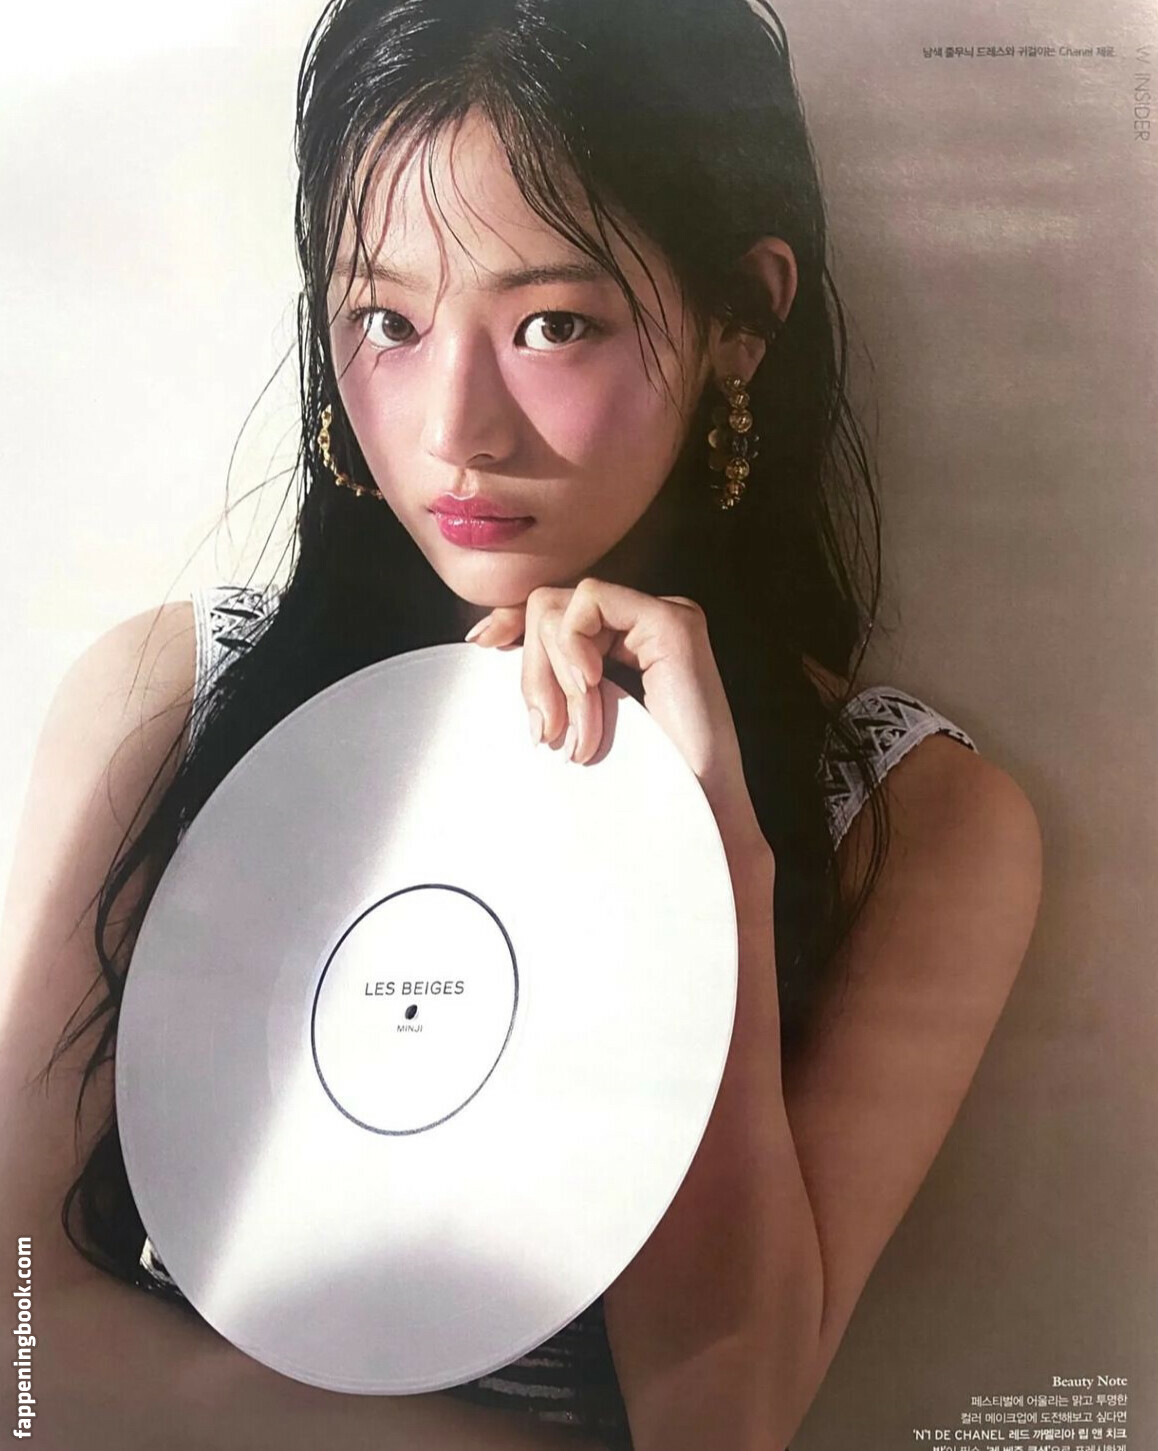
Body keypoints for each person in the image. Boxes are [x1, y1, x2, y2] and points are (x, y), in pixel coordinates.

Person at [0, 0, 1044, 1448]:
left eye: (552, 323)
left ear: (741, 323)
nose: (455, 429)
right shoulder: (171, 701)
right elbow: (23, 1335)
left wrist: (708, 861)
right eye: (387, 320)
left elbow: (721, 1417)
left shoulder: (912, 820)